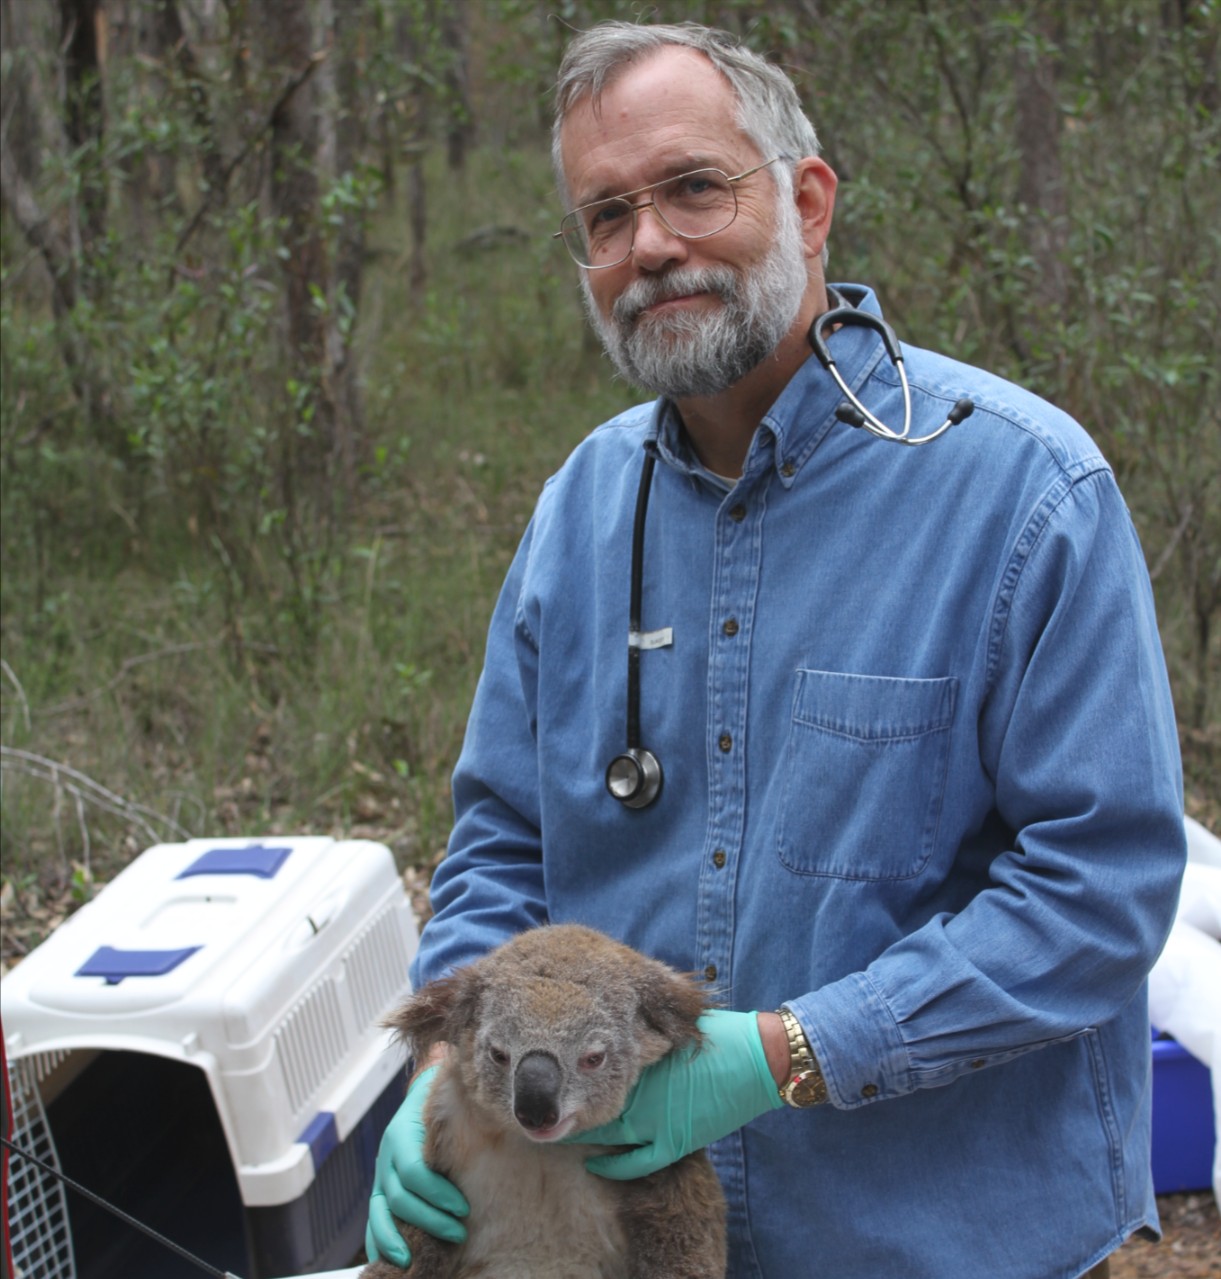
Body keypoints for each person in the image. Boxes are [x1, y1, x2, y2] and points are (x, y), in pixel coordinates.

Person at [365, 21, 1186, 1279]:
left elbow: (1100, 889)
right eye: (606, 216)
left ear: (808, 200)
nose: (651, 246)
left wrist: (796, 1048)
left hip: (939, 1241)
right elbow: (499, 847)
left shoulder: (1025, 494)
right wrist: (445, 1063)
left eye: (695, 187)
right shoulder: (578, 514)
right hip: (621, 1239)